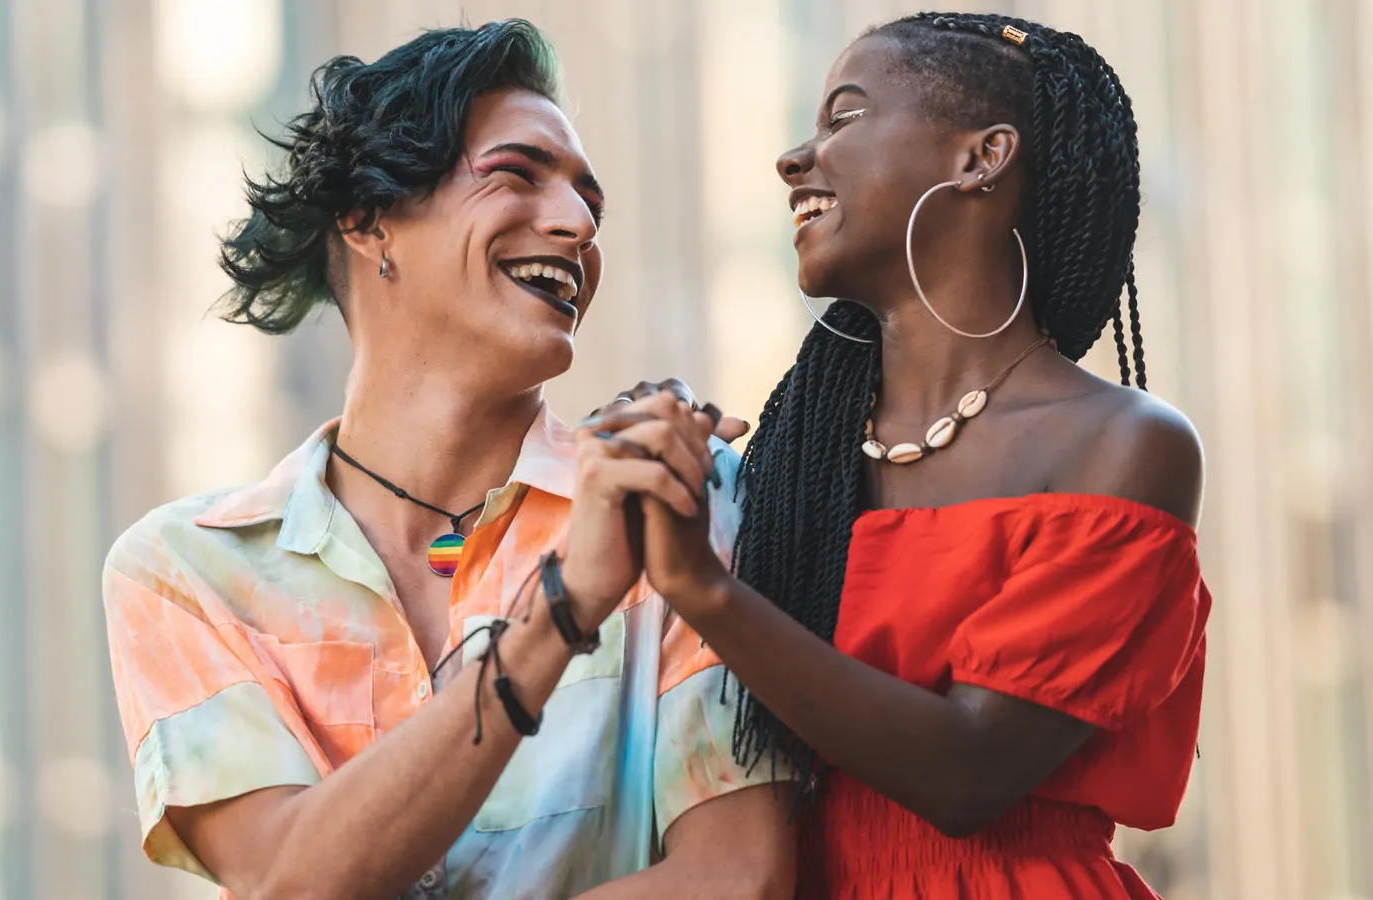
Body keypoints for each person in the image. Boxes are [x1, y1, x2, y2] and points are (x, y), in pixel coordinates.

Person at [101, 19, 794, 900]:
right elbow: (287, 877)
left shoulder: (673, 498)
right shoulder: (185, 569)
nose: (578, 224)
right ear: (367, 220)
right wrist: (564, 607)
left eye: (591, 201)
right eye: (516, 174)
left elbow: (740, 878)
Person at [586, 12, 1209, 899]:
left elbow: (969, 774)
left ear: (979, 158)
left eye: (843, 117)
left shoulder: (1125, 445)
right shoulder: (792, 465)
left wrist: (706, 590)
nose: (794, 159)